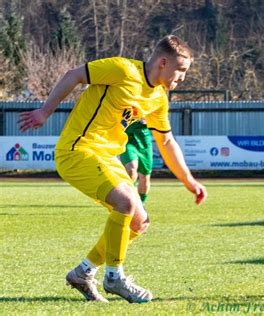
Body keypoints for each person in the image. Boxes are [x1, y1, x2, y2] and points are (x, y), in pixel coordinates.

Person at [18, 35, 207, 303]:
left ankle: (83, 272)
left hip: (108, 158)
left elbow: (165, 140)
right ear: (164, 62)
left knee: (139, 222)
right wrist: (45, 112)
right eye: (181, 71)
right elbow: (74, 75)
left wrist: (190, 181)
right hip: (77, 150)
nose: (183, 78)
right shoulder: (122, 69)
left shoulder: (158, 97)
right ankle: (114, 277)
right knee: (127, 201)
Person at [121, 118, 153, 205]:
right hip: (126, 137)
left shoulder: (150, 104)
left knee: (145, 176)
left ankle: (141, 203)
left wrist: (149, 120)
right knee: (131, 169)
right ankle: (131, 196)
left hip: (143, 138)